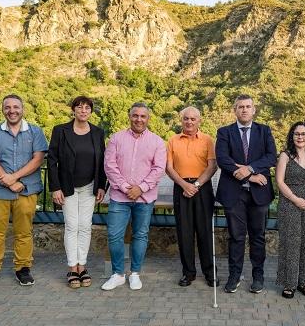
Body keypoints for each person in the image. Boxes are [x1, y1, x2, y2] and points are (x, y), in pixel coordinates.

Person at [0, 94, 48, 289]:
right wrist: (7, 181)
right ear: (3, 110)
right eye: (8, 107)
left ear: (22, 109)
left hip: (26, 189)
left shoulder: (35, 131)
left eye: (16, 107)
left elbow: (38, 159)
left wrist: (14, 178)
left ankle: (23, 269)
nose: (12, 110)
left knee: (24, 232)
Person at [101, 102, 166, 291]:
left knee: (140, 235)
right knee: (114, 235)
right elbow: (109, 165)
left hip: (144, 199)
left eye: (143, 116)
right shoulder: (116, 138)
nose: (139, 119)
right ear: (129, 116)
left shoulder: (157, 142)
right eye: (135, 115)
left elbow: (159, 168)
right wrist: (124, 187)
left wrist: (141, 188)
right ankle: (118, 274)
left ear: (148, 119)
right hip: (119, 198)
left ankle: (135, 274)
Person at [216, 94, 277, 294]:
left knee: (258, 236)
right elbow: (223, 159)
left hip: (259, 194)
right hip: (233, 193)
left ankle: (258, 277)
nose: (244, 109)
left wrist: (249, 168)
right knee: (236, 236)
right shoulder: (224, 132)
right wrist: (249, 176)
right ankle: (234, 276)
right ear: (235, 110)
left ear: (254, 110)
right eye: (240, 106)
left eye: (248, 106)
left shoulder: (264, 131)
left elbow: (270, 157)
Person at [48, 96, 107, 288]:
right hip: (67, 187)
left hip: (90, 187)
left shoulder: (98, 132)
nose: (83, 111)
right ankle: (72, 268)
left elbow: (102, 161)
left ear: (91, 111)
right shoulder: (60, 131)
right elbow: (51, 160)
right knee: (72, 226)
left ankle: (83, 266)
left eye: (87, 108)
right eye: (79, 107)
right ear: (73, 110)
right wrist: (55, 187)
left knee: (85, 226)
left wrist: (101, 185)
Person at [165, 106, 218, 287]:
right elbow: (169, 167)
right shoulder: (173, 140)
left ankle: (210, 273)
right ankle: (188, 273)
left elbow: (212, 166)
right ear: (182, 120)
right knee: (184, 233)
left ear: (199, 121)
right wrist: (184, 185)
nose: (189, 122)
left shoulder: (207, 140)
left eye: (193, 119)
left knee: (204, 232)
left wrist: (195, 185)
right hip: (181, 188)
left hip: (202, 188)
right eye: (186, 118)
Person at [275, 121, 305, 299]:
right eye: (296, 134)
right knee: (291, 243)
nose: (300, 137)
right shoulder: (285, 156)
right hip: (290, 204)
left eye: (303, 134)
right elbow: (280, 182)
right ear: (292, 136)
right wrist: (296, 200)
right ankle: (289, 283)